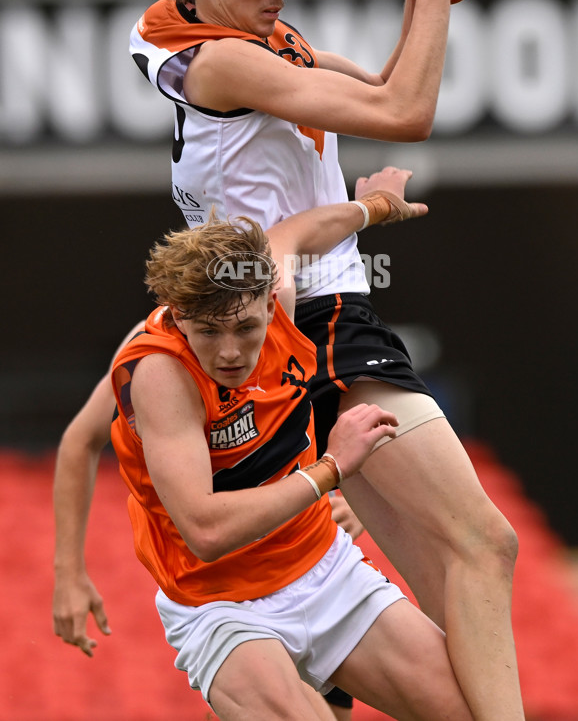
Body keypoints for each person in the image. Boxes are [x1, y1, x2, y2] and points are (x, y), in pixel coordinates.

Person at [126, 0, 524, 721]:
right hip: (314, 318)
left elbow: (383, 88)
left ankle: (333, 677)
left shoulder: (263, 43)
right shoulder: (225, 65)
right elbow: (405, 116)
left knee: (460, 589)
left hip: (312, 320)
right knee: (484, 546)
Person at [52, 169, 415, 721]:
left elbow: (304, 227)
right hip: (216, 596)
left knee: (470, 704)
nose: (228, 353)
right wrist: (69, 575)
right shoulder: (154, 366)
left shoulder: (277, 290)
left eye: (244, 329)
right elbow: (81, 444)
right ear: (179, 316)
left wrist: (378, 205)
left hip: (316, 565)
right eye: (207, 332)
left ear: (271, 302)